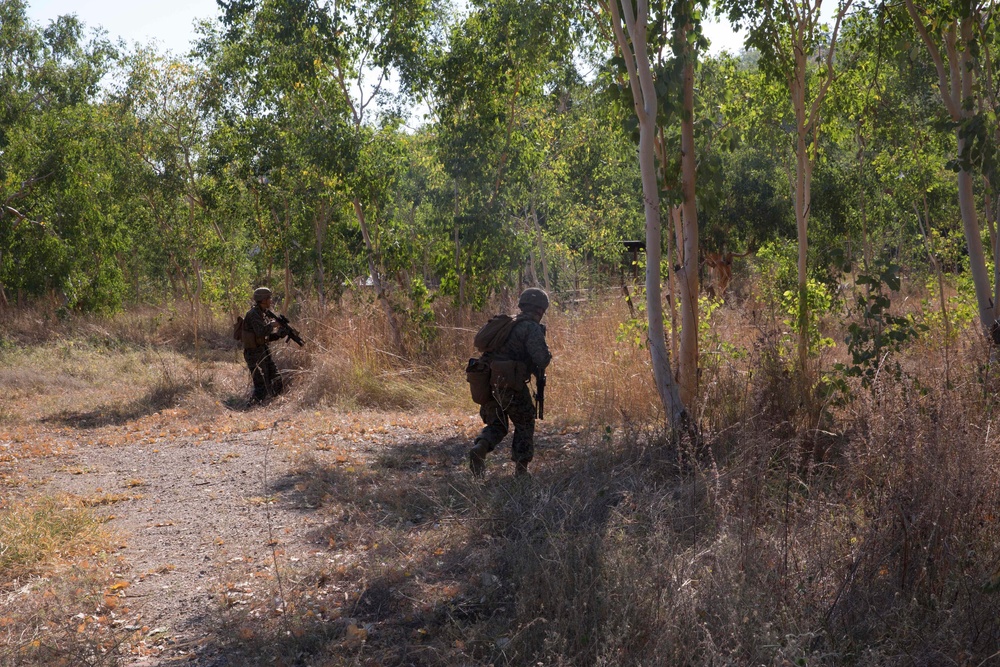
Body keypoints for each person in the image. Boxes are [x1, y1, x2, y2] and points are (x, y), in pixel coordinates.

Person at [470, 288, 552, 478]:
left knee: (497, 424)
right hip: (509, 383)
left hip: (486, 380)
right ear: (541, 309)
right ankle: (521, 471)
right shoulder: (530, 327)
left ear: (522, 305)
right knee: (524, 421)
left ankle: (480, 447)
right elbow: (542, 359)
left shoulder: (507, 323)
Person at [241, 287, 286, 403]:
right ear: (263, 300)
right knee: (261, 385)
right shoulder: (253, 314)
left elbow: (264, 337)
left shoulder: (262, 313)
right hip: (254, 353)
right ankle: (252, 407)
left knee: (276, 378)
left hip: (263, 350)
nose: (271, 301)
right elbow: (260, 331)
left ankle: (276, 403)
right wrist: (273, 325)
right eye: (269, 298)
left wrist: (279, 335)